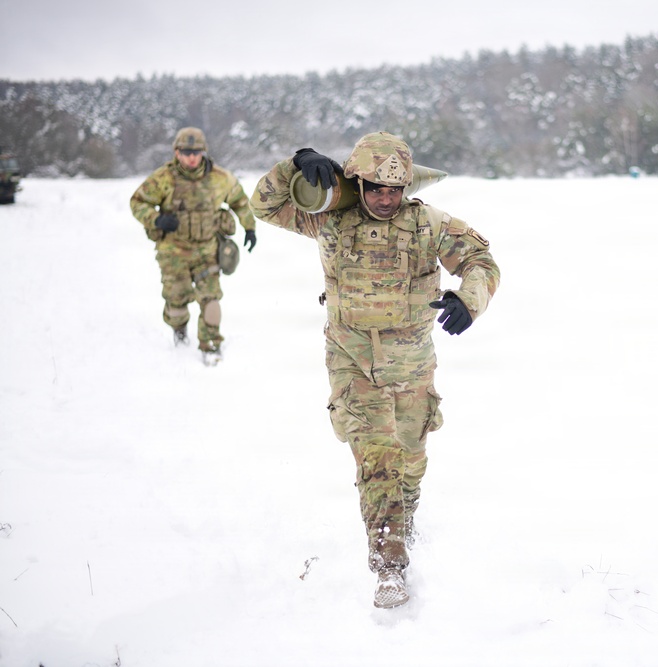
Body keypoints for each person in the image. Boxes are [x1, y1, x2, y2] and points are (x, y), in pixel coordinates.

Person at [250, 131, 500, 608]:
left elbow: (479, 260)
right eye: (376, 189)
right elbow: (264, 205)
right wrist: (296, 163)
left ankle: (403, 520)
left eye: (395, 190)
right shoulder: (327, 219)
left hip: (412, 362)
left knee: (410, 461)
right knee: (378, 460)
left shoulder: (428, 223)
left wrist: (470, 300)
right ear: (357, 183)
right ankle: (389, 566)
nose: (386, 199)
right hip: (351, 361)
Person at [130, 127, 258, 364]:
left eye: (196, 152)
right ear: (177, 153)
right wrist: (157, 219)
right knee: (176, 300)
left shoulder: (220, 179)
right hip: (173, 252)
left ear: (203, 152)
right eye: (186, 152)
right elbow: (138, 202)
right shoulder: (163, 179)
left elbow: (240, 201)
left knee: (211, 297)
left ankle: (210, 346)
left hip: (207, 251)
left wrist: (249, 227)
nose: (191, 157)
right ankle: (179, 335)